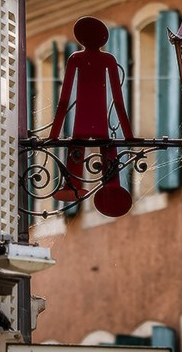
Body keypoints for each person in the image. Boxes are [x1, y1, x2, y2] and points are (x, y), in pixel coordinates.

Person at [49, 16, 134, 217]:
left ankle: (72, 185)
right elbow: (118, 100)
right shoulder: (108, 59)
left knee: (76, 148)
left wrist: (54, 133)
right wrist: (128, 135)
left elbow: (64, 99)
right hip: (99, 122)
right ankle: (112, 187)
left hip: (82, 119)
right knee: (108, 149)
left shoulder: (76, 59)